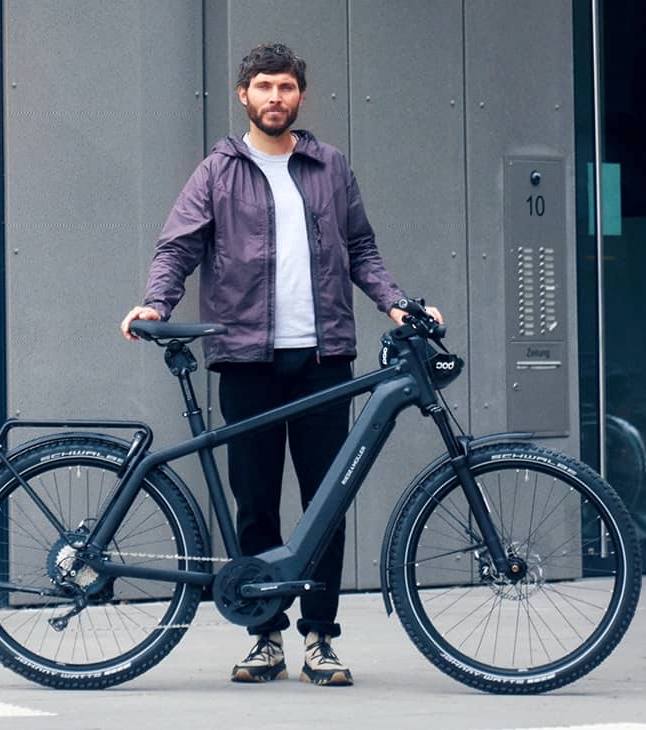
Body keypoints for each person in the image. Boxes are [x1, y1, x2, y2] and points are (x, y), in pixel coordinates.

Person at [119, 43, 440, 687]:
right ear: (244, 95)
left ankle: (320, 636)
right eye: (263, 86)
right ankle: (264, 634)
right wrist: (156, 304)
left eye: (286, 86)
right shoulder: (217, 171)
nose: (275, 97)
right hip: (246, 359)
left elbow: (361, 248)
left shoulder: (330, 167)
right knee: (256, 502)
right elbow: (177, 247)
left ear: (300, 95)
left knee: (329, 499)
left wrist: (396, 304)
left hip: (323, 359)